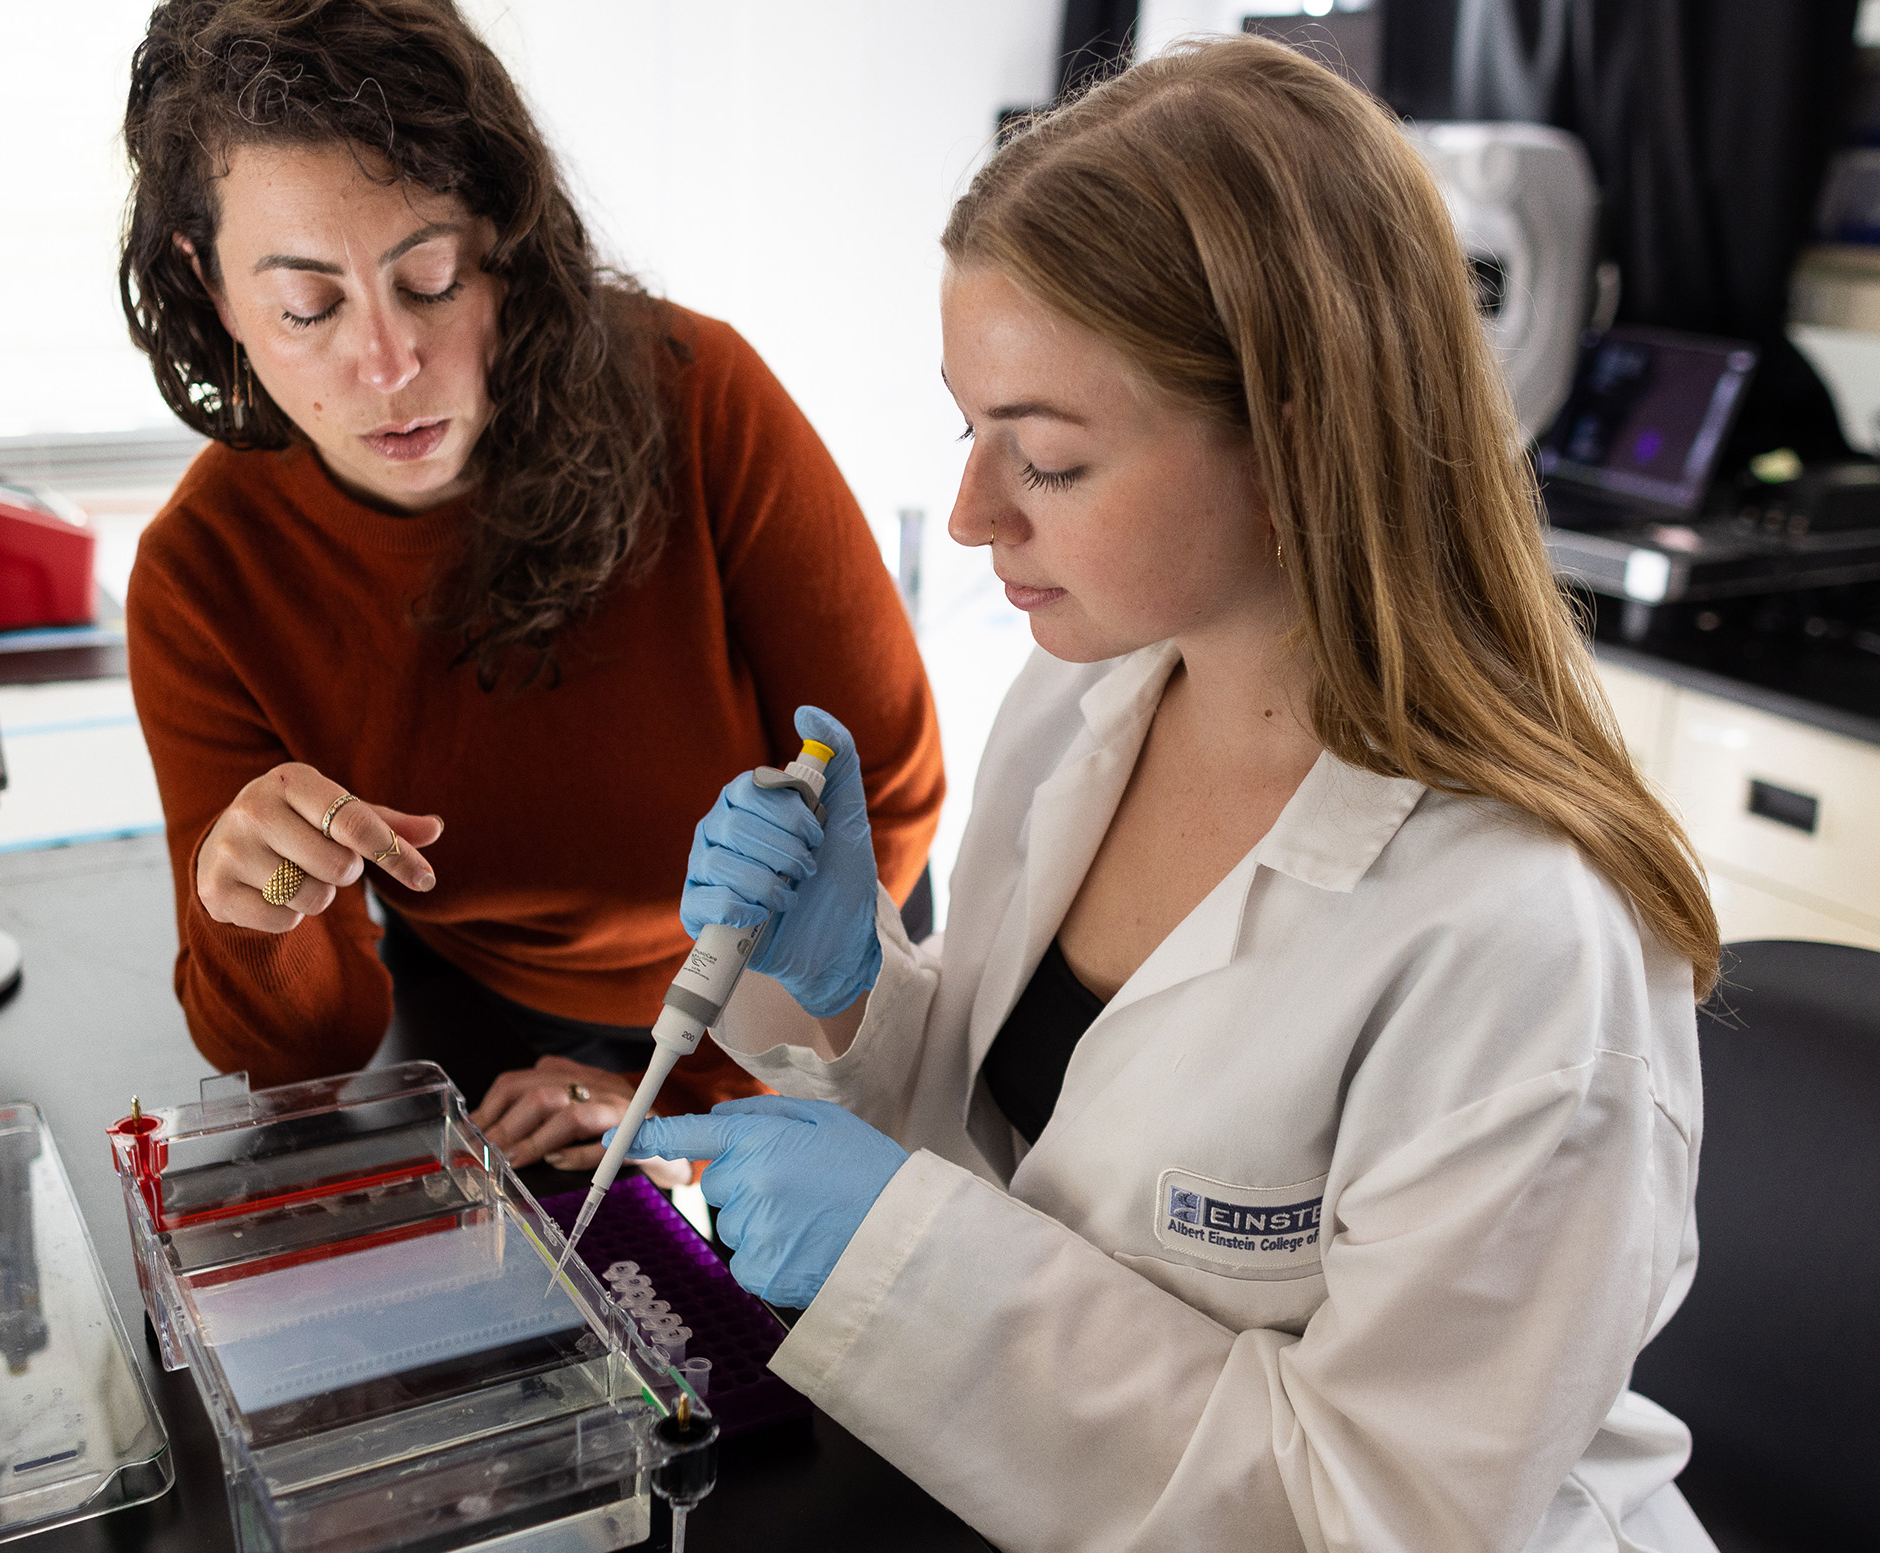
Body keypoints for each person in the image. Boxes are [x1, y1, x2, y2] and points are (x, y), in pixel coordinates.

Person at [620, 36, 1723, 1553]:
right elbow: (1048, 1149)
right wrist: (863, 989)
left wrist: (900, 1257)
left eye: (1050, 462)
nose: (971, 513)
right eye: (970, 430)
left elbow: (1369, 1516)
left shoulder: (1522, 945)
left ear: (1292, 450)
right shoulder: (1091, 693)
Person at [115, 0, 942, 1167]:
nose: (390, 367)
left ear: (505, 240)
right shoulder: (202, 577)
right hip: (492, 1018)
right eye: (309, 307)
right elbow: (305, 1059)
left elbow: (888, 793)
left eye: (435, 278)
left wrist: (677, 1090)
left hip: (803, 982)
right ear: (210, 287)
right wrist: (255, 910)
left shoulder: (698, 398)